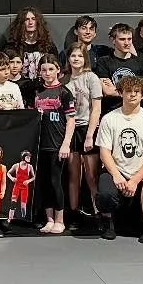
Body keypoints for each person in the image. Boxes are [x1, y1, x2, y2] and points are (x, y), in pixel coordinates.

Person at [93, 75, 143, 241]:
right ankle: (107, 223)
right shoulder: (109, 118)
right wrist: (116, 175)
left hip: (140, 172)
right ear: (121, 93)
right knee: (104, 194)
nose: (132, 94)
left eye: (136, 92)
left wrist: (135, 180)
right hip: (116, 171)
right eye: (128, 91)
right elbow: (104, 152)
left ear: (142, 95)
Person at [32, 54, 76, 235]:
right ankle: (49, 218)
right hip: (40, 144)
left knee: (56, 181)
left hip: (57, 144)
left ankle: (60, 219)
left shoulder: (65, 93)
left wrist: (66, 144)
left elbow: (71, 120)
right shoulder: (36, 92)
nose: (47, 73)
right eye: (44, 70)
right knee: (43, 183)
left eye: (51, 69)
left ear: (58, 70)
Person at [64, 44, 103, 221]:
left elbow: (96, 108)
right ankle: (73, 212)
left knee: (91, 175)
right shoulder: (64, 79)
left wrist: (89, 135)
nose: (76, 59)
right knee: (73, 174)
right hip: (70, 129)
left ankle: (98, 212)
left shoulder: (91, 78)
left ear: (85, 58)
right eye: (73, 56)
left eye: (80, 56)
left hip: (88, 128)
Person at [4, 8, 56, 82]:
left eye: (33, 19)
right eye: (26, 19)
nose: (30, 22)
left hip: (42, 87)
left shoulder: (48, 45)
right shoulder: (12, 46)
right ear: (21, 23)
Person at [7, 150, 36, 223]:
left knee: (23, 206)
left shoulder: (30, 167)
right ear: (23, 157)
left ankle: (23, 218)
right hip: (17, 187)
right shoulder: (16, 165)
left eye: (30, 157)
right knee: (13, 204)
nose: (29, 158)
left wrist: (28, 181)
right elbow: (8, 173)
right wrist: (12, 178)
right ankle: (10, 219)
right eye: (27, 157)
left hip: (24, 188)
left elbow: (34, 177)